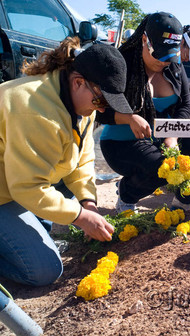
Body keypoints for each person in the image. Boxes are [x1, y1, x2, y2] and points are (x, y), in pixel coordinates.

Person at [0, 40, 132, 286]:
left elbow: (82, 158)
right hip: (10, 191)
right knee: (44, 271)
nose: (102, 110)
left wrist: (88, 202)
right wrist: (80, 217)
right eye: (102, 100)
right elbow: (28, 187)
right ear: (78, 82)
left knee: (65, 203)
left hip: (14, 182)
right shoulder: (34, 110)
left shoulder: (82, 104)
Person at [97, 12, 190, 213]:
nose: (164, 61)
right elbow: (99, 111)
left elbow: (185, 105)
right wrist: (129, 118)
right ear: (144, 40)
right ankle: (127, 194)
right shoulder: (121, 64)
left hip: (162, 138)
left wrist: (172, 135)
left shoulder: (174, 66)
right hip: (122, 143)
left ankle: (185, 199)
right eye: (159, 54)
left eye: (170, 55)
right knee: (161, 166)